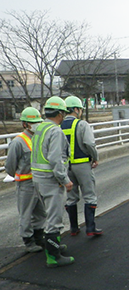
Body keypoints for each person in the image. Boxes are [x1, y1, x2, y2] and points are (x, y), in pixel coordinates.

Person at [31, 96, 75, 268]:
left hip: (38, 179)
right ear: (60, 113)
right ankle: (53, 257)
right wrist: (65, 180)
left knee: (48, 215)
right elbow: (56, 160)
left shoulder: (40, 128)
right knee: (54, 219)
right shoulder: (55, 131)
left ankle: (53, 245)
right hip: (51, 180)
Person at [5, 107, 47, 253]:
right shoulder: (18, 142)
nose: (35, 125)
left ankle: (39, 235)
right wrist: (19, 174)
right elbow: (10, 166)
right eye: (32, 122)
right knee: (26, 213)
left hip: (39, 182)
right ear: (25, 124)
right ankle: (28, 240)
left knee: (40, 212)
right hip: (25, 183)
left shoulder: (38, 138)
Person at [62, 96, 103, 237]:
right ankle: (90, 228)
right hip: (82, 164)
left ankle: (74, 228)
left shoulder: (58, 126)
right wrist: (95, 158)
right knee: (89, 196)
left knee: (71, 197)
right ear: (75, 109)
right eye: (79, 109)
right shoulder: (81, 124)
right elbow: (90, 144)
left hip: (66, 167)